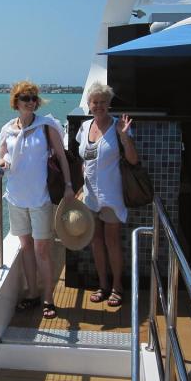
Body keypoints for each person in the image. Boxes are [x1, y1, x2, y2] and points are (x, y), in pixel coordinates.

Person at [0, 80, 74, 319]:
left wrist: (69, 186)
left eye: (33, 98)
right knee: (26, 247)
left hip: (40, 198)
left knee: (42, 249)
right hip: (16, 197)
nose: (30, 102)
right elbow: (1, 156)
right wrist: (2, 163)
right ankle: (32, 293)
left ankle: (48, 298)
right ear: (16, 102)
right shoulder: (7, 130)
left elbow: (62, 157)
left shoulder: (46, 126)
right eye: (25, 98)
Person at [76, 82, 138, 307]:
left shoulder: (118, 126)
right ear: (89, 104)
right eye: (95, 102)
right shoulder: (84, 127)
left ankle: (117, 286)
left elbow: (133, 160)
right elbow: (84, 160)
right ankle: (102, 285)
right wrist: (81, 187)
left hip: (111, 195)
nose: (99, 106)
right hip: (90, 196)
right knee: (96, 241)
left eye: (103, 102)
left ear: (109, 104)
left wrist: (124, 137)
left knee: (112, 241)